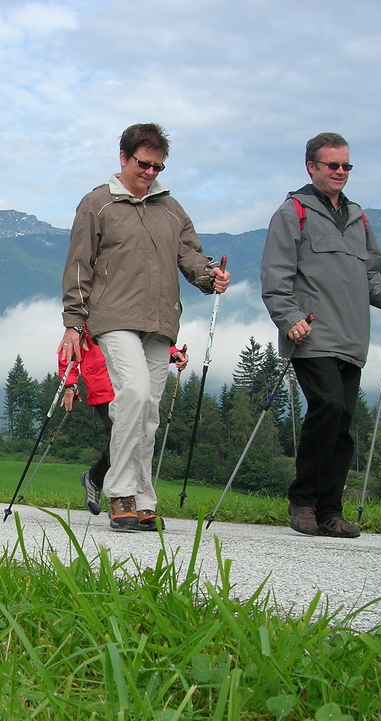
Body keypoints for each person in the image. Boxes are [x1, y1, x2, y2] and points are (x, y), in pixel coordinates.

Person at [59, 122, 230, 532]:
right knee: (133, 394)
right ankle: (120, 493)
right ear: (123, 158)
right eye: (143, 164)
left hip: (160, 320)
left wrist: (210, 275)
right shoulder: (97, 203)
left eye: (158, 167)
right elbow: (79, 264)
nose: (150, 173)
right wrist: (74, 322)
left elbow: (190, 255)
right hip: (113, 317)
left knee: (149, 410)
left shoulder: (171, 209)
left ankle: (142, 498)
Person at [261, 132, 381, 539]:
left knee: (342, 422)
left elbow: (370, 276)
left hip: (352, 338)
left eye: (346, 165)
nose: (341, 171)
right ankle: (303, 502)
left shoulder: (359, 218)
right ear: (312, 167)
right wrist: (289, 318)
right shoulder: (293, 213)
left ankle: (330, 511)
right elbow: (275, 277)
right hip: (310, 335)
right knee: (327, 405)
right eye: (333, 165)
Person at [60, 327, 189, 516]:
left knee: (131, 437)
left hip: (130, 383)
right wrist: (70, 383)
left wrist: (171, 352)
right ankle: (117, 494)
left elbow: (141, 338)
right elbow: (69, 349)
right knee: (121, 436)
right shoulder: (88, 315)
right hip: (103, 385)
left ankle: (102, 483)